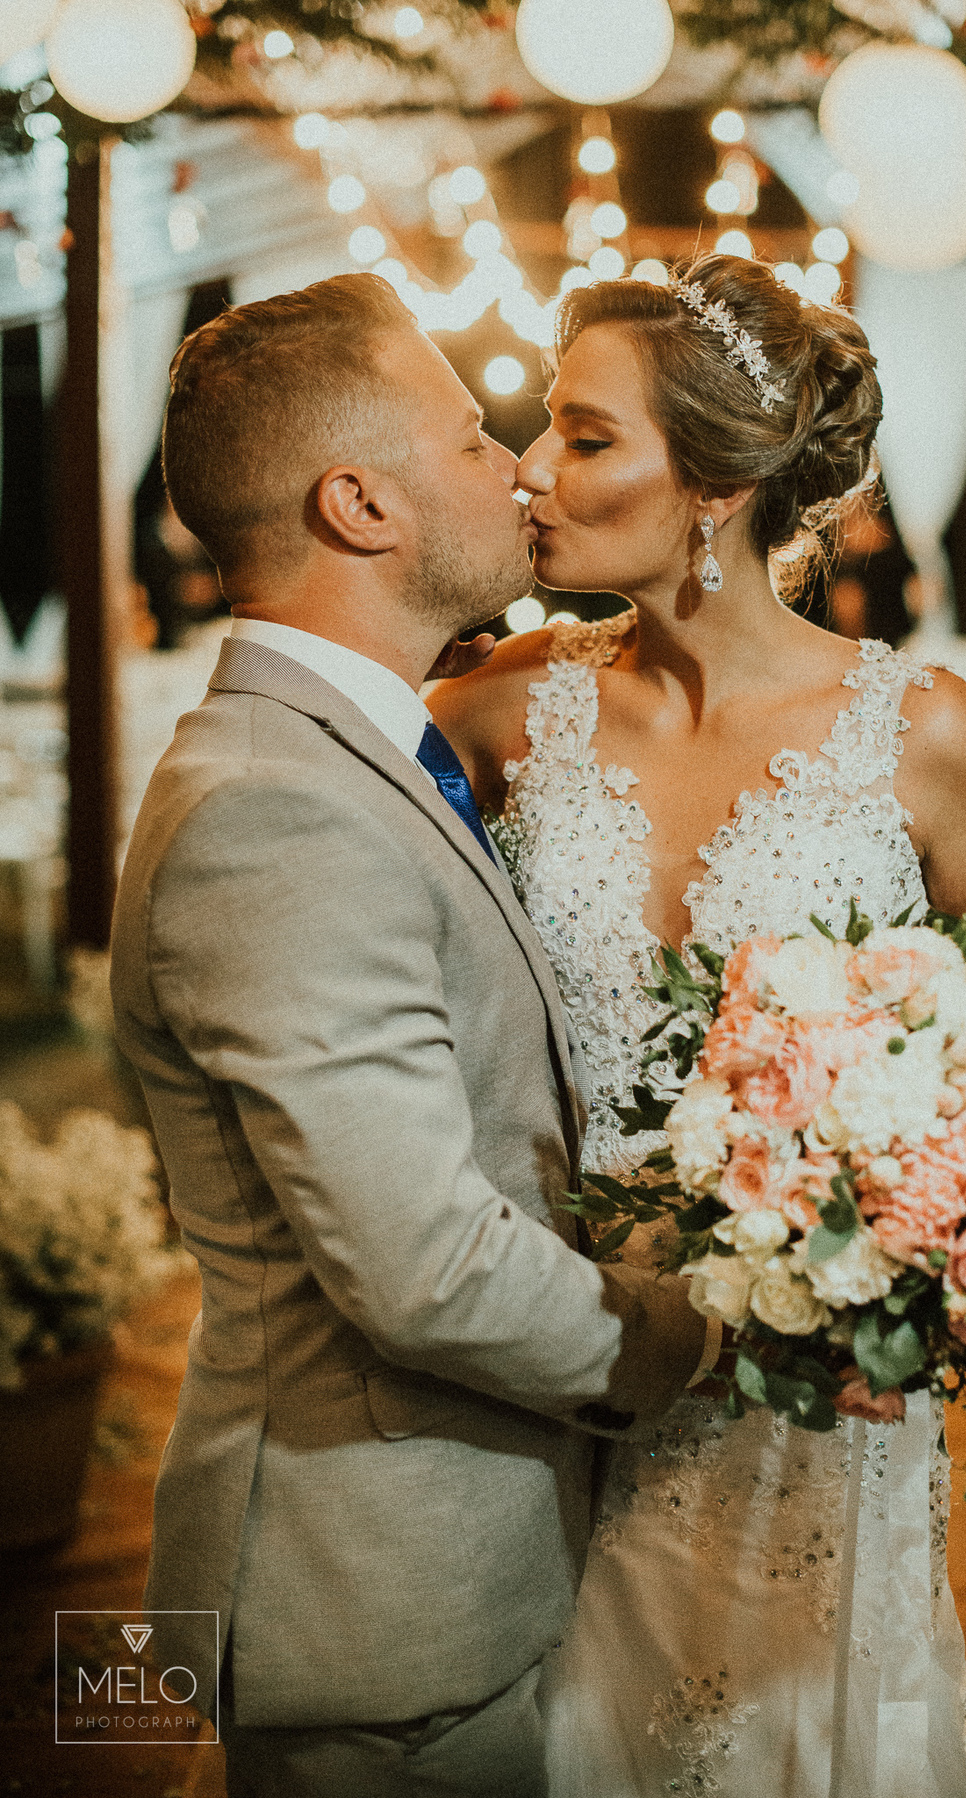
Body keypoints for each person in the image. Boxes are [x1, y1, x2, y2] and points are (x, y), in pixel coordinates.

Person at [430, 254, 966, 1798]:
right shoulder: (506, 712)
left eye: (586, 436)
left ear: (715, 487)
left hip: (817, 1409)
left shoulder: (923, 737)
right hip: (555, 1367)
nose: (532, 468)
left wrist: (911, 1265)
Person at [109, 273, 718, 1798]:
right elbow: (423, 1263)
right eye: (470, 437)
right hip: (378, 1606)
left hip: (457, 1568)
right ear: (360, 503)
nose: (518, 466)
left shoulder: (369, 752)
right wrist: (705, 1336)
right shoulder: (274, 807)